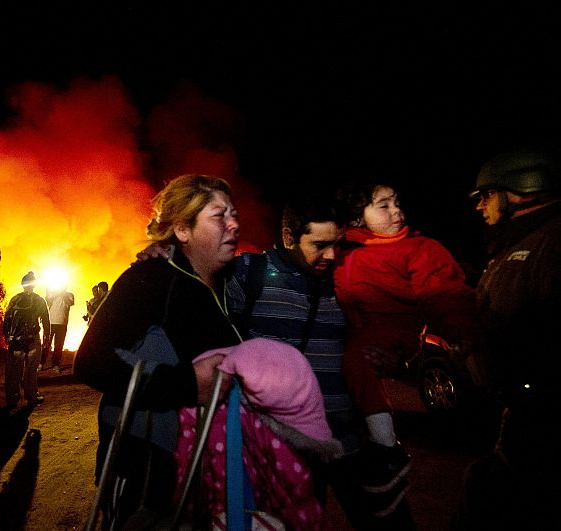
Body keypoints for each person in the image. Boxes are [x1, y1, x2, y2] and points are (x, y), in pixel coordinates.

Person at [226, 195, 416, 528]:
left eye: (337, 244)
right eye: (320, 244)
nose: (331, 255)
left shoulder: (349, 279)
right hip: (278, 450)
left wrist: (395, 359)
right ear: (288, 236)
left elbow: (390, 328)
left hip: (348, 444)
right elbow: (190, 287)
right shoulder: (248, 274)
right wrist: (159, 255)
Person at [74, 174, 245, 529]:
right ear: (182, 230)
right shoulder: (149, 280)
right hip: (147, 474)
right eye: (219, 215)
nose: (234, 223)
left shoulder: (238, 283)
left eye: (234, 213)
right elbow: (91, 361)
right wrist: (185, 384)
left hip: (212, 472)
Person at [333, 182, 477, 501]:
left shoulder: (420, 248)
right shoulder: (344, 249)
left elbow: (443, 293)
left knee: (357, 360)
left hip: (393, 329)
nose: (397, 211)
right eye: (384, 206)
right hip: (355, 327)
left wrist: (457, 331)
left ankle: (387, 446)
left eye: (396, 203)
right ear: (358, 218)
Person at [452, 148, 561, 530]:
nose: (481, 206)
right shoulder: (518, 242)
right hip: (516, 414)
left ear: (519, 190)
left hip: (541, 420)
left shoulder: (552, 240)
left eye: (486, 195)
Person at [3, 271, 50, 408]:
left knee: (14, 371)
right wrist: (47, 336)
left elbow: (7, 319)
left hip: (16, 340)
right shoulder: (39, 300)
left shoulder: (14, 299)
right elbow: (45, 320)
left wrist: (7, 335)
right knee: (31, 369)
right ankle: (32, 396)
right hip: (32, 339)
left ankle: (12, 399)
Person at [43, 284, 74, 372]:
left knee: (59, 345)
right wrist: (51, 292)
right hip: (50, 323)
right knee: (46, 344)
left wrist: (62, 293)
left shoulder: (70, 295)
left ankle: (56, 364)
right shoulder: (52, 293)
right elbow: (47, 302)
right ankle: (41, 363)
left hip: (62, 323)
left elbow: (70, 302)